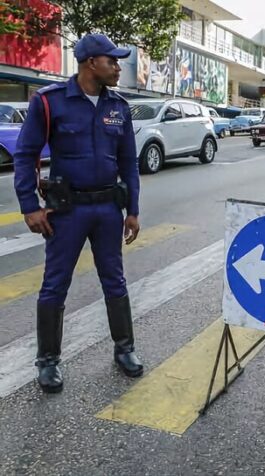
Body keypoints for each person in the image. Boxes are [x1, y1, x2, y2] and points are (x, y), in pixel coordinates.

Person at [13, 33, 143, 393]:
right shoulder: (49, 101)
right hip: (66, 210)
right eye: (112, 61)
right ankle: (48, 361)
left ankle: (124, 349)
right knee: (55, 284)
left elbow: (128, 162)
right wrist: (29, 207)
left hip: (106, 210)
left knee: (114, 280)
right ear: (91, 63)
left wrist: (133, 209)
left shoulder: (118, 106)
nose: (118, 68)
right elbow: (26, 155)